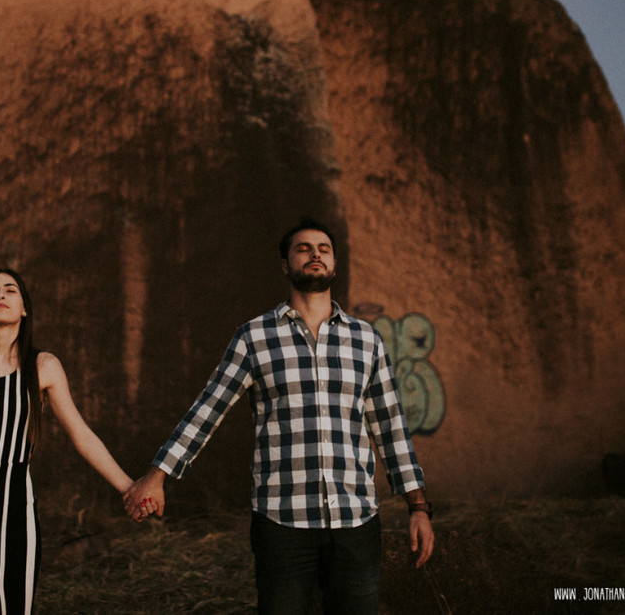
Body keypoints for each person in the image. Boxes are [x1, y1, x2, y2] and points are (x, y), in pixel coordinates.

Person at [123, 218, 434, 615]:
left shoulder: (366, 340)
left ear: (334, 264)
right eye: (303, 248)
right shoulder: (254, 337)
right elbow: (207, 410)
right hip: (282, 523)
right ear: (285, 266)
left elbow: (391, 429)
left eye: (323, 248)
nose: (315, 254)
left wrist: (418, 508)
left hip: (356, 522)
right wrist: (157, 475)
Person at [0, 267, 153, 614]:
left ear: (24, 309)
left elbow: (81, 435)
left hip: (13, 511)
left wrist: (129, 486)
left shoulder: (44, 366)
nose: (0, 294)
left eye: (10, 289)